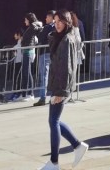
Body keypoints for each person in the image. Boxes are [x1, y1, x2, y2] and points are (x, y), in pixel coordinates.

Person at [38, 9, 89, 170]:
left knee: (53, 121)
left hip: (61, 86)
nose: (57, 24)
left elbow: (67, 68)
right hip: (58, 84)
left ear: (67, 22)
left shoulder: (67, 40)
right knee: (54, 120)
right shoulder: (60, 37)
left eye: (60, 21)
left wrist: (61, 92)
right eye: (55, 21)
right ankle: (77, 146)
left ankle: (54, 162)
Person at [34, 11, 56, 106]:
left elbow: (41, 38)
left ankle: (43, 97)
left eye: (47, 17)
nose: (46, 19)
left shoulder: (48, 27)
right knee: (54, 75)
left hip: (45, 52)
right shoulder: (58, 27)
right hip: (54, 53)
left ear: (51, 17)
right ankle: (54, 96)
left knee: (43, 76)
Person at [19, 12, 40, 99]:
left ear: (29, 19)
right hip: (27, 51)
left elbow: (38, 32)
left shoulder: (33, 27)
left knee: (27, 72)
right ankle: (25, 94)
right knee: (26, 73)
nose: (25, 21)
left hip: (28, 51)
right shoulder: (31, 27)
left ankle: (30, 93)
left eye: (26, 20)